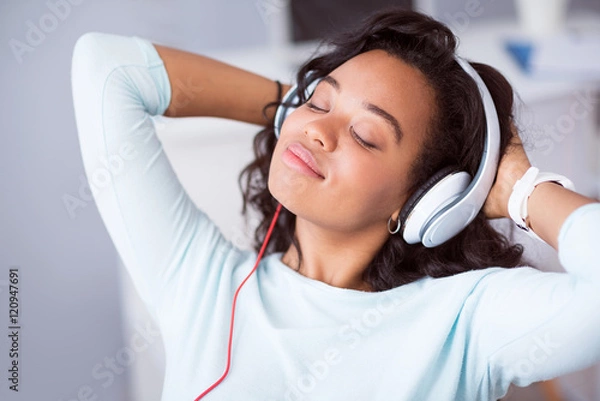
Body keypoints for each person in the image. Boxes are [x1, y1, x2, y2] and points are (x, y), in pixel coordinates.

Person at [70, 7, 600, 401]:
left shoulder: (462, 323)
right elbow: (106, 66)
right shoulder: (201, 283)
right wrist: (287, 107)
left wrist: (522, 190)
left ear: (422, 203)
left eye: (366, 136)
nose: (318, 128)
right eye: (319, 99)